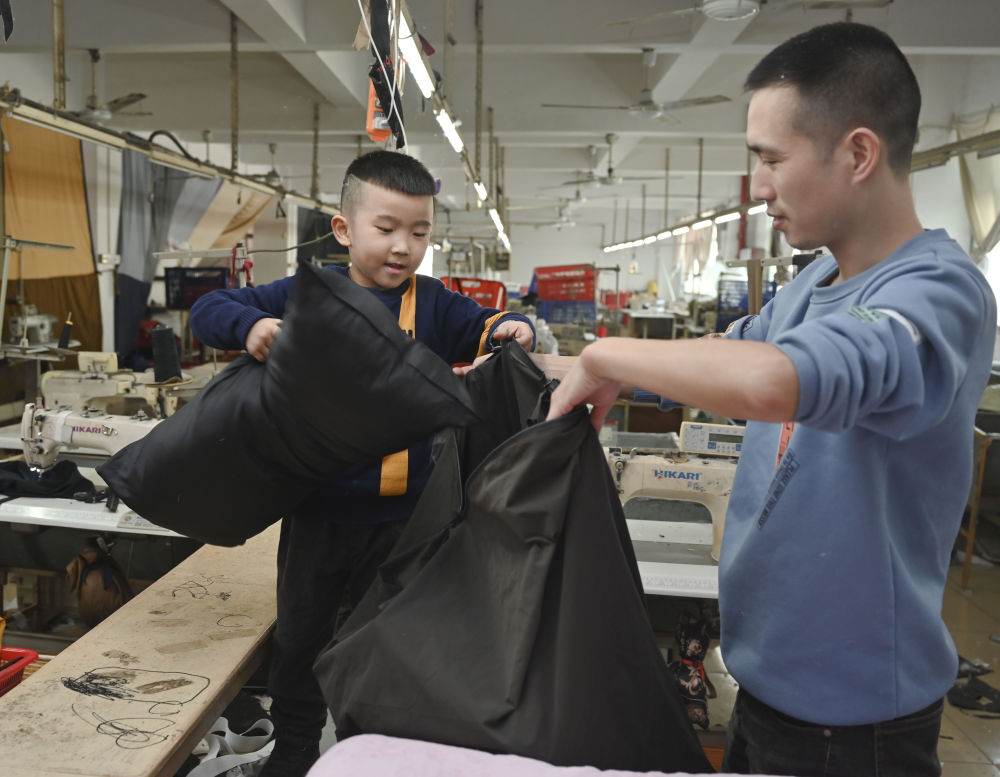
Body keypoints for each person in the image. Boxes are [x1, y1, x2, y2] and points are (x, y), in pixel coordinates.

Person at [545, 22, 996, 777]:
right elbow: (725, 354)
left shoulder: (938, 294)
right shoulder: (815, 281)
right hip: (765, 685)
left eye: (771, 158)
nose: (757, 187)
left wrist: (604, 353)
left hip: (853, 727)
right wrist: (544, 362)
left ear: (858, 154)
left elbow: (772, 381)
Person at [190, 149, 534, 777]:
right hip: (316, 513)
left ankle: (368, 754)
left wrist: (514, 327)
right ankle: (295, 750)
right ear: (344, 229)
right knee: (300, 639)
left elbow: (490, 324)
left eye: (419, 232)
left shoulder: (433, 304)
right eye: (387, 228)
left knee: (387, 648)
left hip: (402, 523)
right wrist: (252, 326)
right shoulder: (307, 294)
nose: (404, 246)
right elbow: (208, 310)